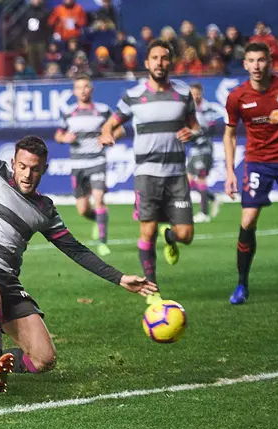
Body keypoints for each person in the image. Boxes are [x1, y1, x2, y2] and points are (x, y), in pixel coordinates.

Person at [0, 78, 158, 393]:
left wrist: (120, 278)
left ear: (44, 169)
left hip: (7, 278)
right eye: (23, 167)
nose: (28, 174)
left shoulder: (44, 210)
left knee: (43, 358)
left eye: (35, 169)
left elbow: (76, 250)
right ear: (13, 163)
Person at [99, 39, 200, 290]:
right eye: (155, 58)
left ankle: (170, 237)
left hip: (177, 174)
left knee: (186, 235)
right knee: (148, 231)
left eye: (164, 58)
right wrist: (106, 133)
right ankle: (152, 287)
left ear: (170, 62)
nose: (159, 63)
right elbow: (111, 123)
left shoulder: (183, 93)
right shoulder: (133, 96)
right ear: (147, 63)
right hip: (147, 174)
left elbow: (195, 126)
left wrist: (192, 132)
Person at [224, 42, 278, 304]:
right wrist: (230, 172)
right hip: (257, 163)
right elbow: (229, 134)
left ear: (270, 62)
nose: (256, 66)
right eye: (251, 60)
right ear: (245, 64)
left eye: (261, 60)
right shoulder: (237, 96)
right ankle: (242, 284)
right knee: (248, 220)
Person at [54, 75, 122, 256]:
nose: (83, 90)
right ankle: (98, 221)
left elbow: (119, 129)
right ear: (74, 91)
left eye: (86, 86)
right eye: (79, 87)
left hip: (97, 161)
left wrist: (109, 137)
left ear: (92, 89)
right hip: (78, 165)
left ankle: (102, 242)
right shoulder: (69, 112)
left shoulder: (103, 110)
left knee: (99, 199)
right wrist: (65, 138)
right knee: (83, 209)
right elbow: (58, 135)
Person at [186, 82, 223, 223]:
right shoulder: (189, 110)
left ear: (201, 94)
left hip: (204, 149)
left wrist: (194, 133)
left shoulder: (208, 108)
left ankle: (204, 213)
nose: (195, 96)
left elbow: (211, 129)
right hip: (194, 150)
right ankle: (213, 198)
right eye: (192, 94)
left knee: (201, 178)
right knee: (188, 182)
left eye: (197, 94)